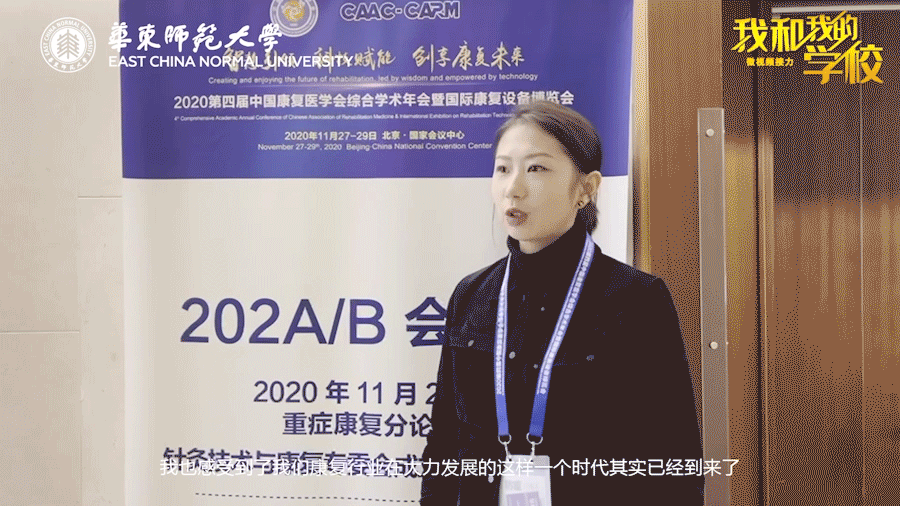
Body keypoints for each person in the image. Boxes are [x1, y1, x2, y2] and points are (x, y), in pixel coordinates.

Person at [420, 101, 703, 504]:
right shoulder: (471, 295)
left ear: (586, 189)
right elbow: (444, 442)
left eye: (536, 168)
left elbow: (674, 458)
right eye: (503, 168)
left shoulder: (635, 299)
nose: (513, 188)